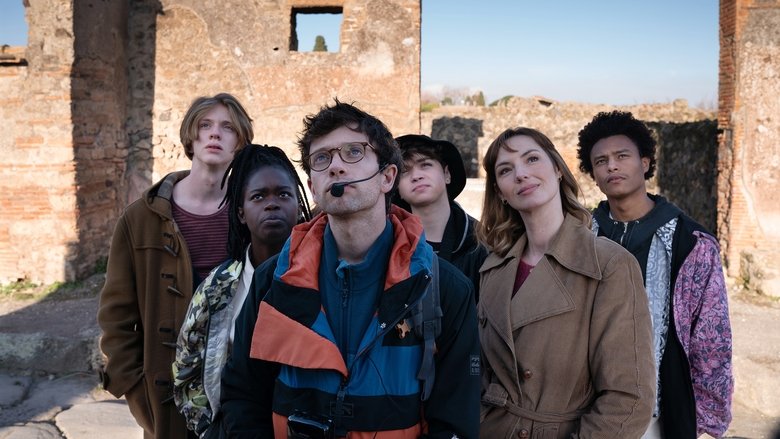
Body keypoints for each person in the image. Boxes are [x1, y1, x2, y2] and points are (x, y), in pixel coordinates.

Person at [219, 100, 480, 438]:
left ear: (387, 177)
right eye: (322, 158)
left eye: (354, 152)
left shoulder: (443, 287)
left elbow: (455, 420)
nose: (336, 167)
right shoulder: (273, 280)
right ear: (313, 188)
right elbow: (243, 395)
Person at [476, 127, 655, 438]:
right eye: (505, 170)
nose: (521, 174)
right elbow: (477, 371)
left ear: (558, 169)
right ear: (500, 191)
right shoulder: (492, 268)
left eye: (532, 159)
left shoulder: (609, 265)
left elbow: (628, 399)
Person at [97, 93, 254, 439]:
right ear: (190, 136)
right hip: (164, 399)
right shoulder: (140, 218)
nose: (215, 133)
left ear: (240, 142)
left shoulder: (252, 215)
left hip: (239, 394)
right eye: (205, 125)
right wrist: (136, 391)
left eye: (228, 127)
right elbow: (116, 317)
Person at [577, 110, 733, 439]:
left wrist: (704, 418)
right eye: (601, 161)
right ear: (593, 174)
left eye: (622, 156)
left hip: (659, 412)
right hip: (586, 409)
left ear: (645, 163)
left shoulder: (692, 243)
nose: (612, 166)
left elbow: (712, 339)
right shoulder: (580, 238)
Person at [172, 144, 312, 438]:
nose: (272, 204)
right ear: (241, 213)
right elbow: (187, 366)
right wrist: (210, 428)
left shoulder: (324, 275)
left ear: (299, 206)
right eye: (258, 196)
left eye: (283, 194)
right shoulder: (218, 288)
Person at [394, 134, 487, 302]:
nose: (416, 176)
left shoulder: (481, 242)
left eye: (425, 165)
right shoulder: (389, 243)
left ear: (447, 174)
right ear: (396, 188)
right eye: (405, 171)